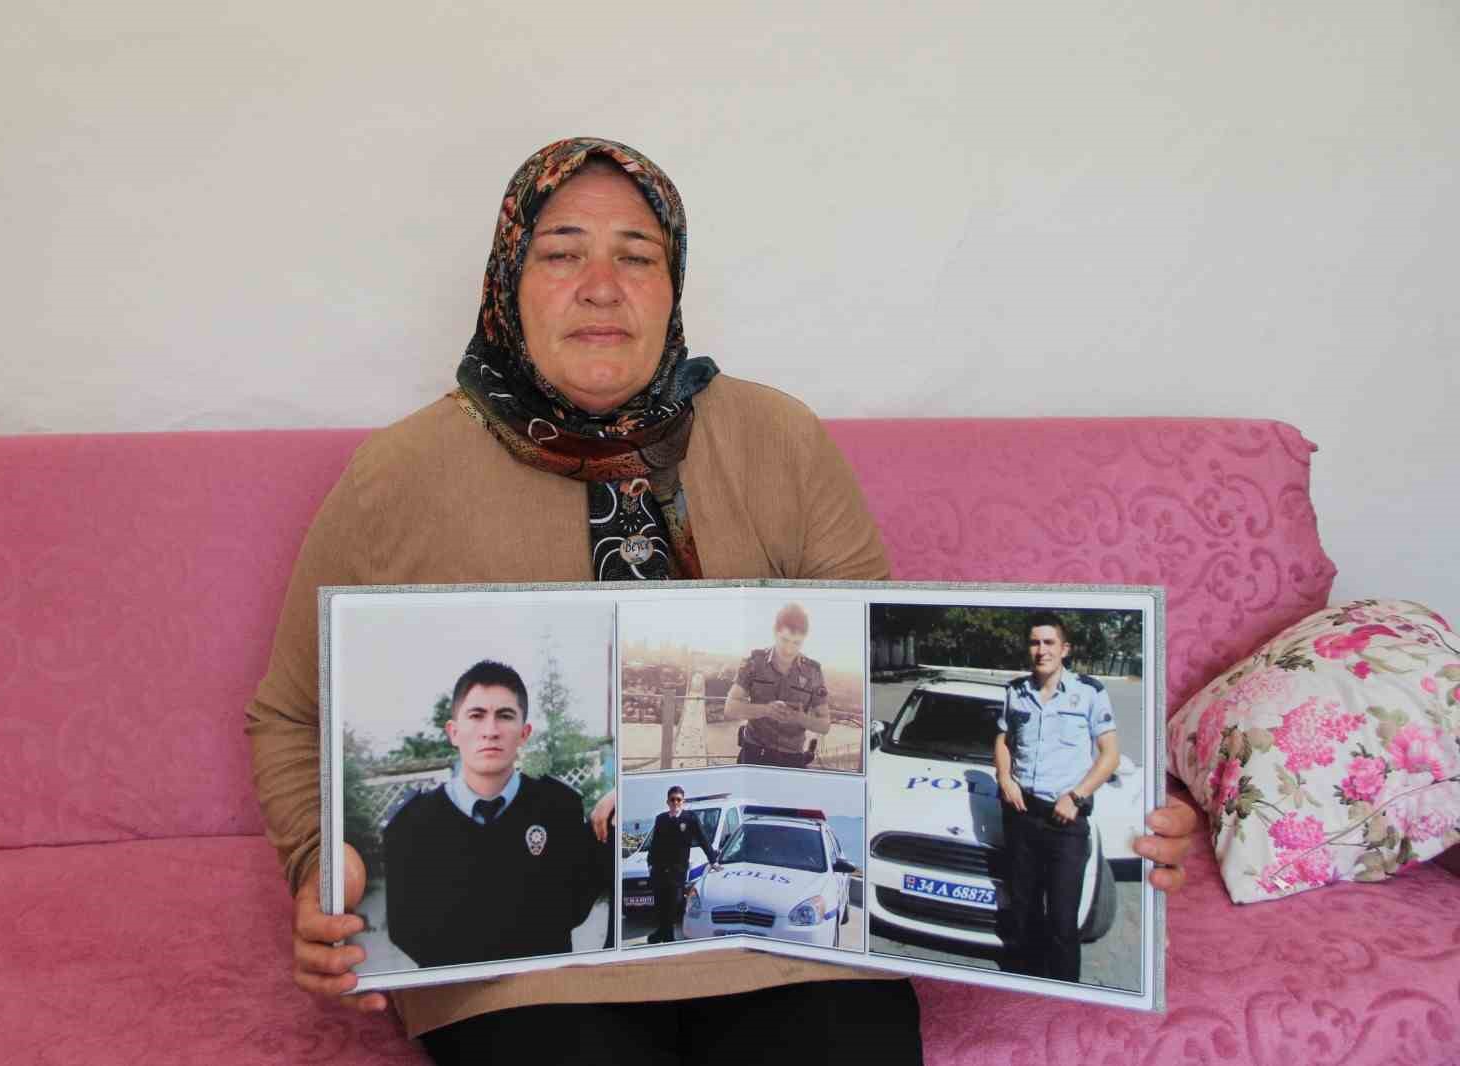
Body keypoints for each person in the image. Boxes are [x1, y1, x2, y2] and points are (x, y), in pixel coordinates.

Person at [246, 137, 1198, 1065]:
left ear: (675, 284)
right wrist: (315, 871)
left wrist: (1131, 823)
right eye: (561, 253)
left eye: (638, 256)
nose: (602, 286)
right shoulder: (398, 476)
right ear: (506, 281)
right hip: (524, 967)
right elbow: (290, 714)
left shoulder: (778, 441)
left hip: (787, 954)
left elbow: (861, 694)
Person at [380, 660, 613, 967]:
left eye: (505, 716)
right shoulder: (412, 824)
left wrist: (619, 795)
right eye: (476, 716)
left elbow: (575, 906)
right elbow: (405, 930)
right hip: (456, 1003)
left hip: (542, 998)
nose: (490, 731)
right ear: (453, 732)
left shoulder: (558, 808)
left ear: (524, 733)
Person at [993, 613, 1121, 982]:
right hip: (1021, 815)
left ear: (1064, 649)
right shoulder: (1014, 691)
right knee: (1024, 911)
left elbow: (1109, 753)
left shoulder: (1089, 692)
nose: (1041, 650)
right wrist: (1005, 777)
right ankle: (1024, 984)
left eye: (1049, 643)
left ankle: (1065, 992)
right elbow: (1002, 739)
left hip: (1066, 819)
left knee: (1063, 920)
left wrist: (1077, 797)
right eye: (1034, 642)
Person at [722, 603, 830, 767]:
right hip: (754, 752)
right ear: (775, 632)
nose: (789, 649)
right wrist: (766, 710)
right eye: (784, 640)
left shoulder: (813, 672)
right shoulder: (754, 663)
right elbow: (729, 708)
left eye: (796, 643)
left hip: (792, 759)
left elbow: (824, 725)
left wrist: (800, 718)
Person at [644, 786, 720, 944]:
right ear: (667, 802)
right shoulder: (661, 819)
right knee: (661, 905)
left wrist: (713, 860)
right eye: (672, 799)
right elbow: (654, 844)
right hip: (659, 870)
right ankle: (663, 934)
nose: (675, 802)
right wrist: (650, 863)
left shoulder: (690, 818)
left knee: (673, 904)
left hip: (677, 871)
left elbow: (703, 839)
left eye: (678, 799)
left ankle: (666, 937)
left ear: (683, 801)